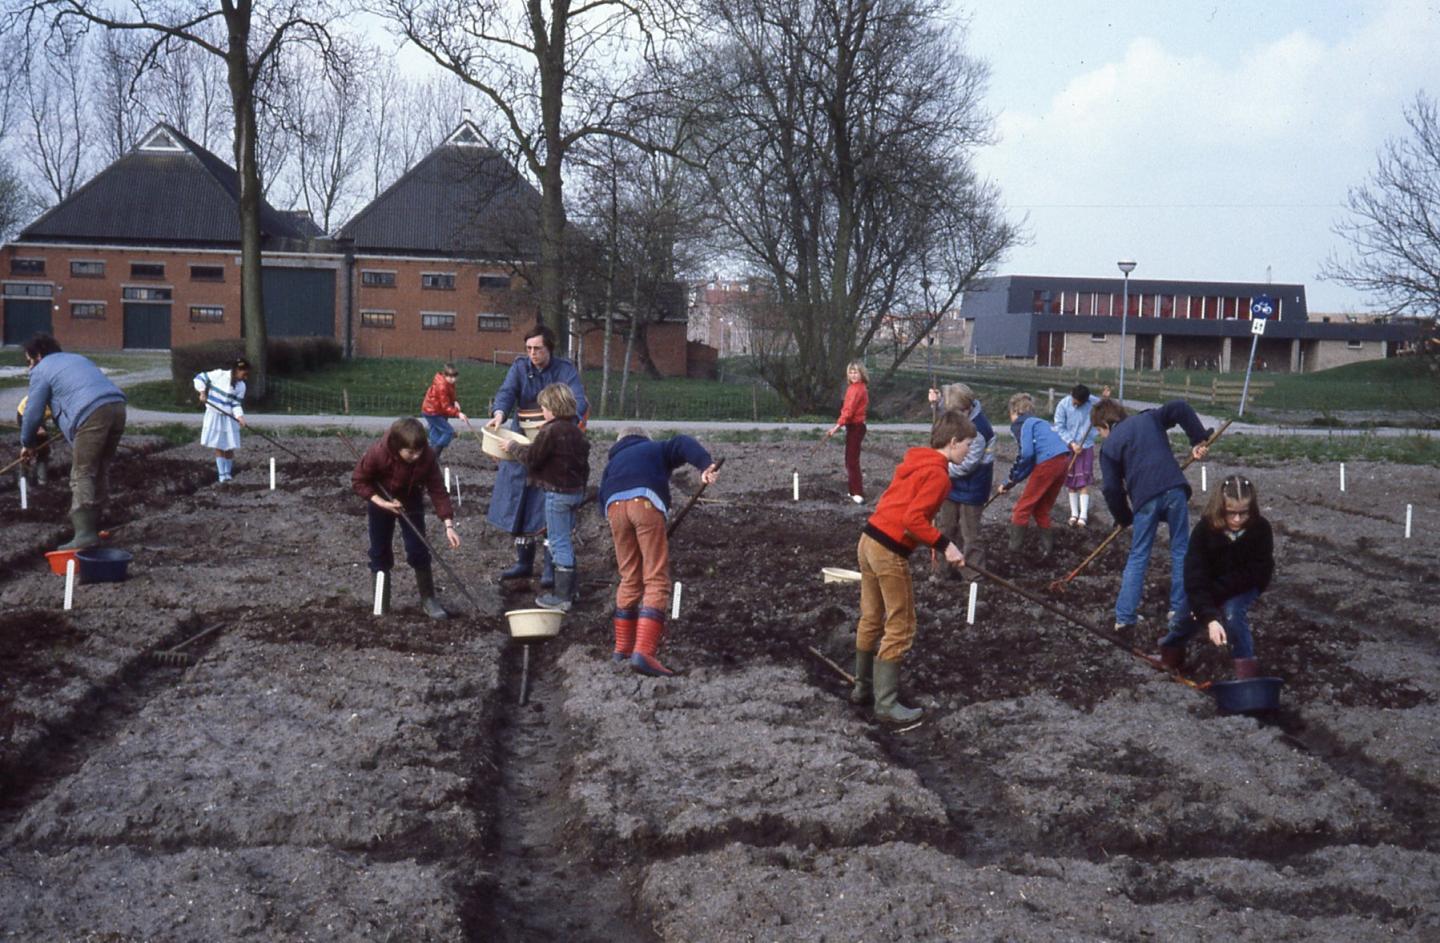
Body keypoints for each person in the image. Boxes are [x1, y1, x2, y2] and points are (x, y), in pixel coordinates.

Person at [851, 410, 974, 724]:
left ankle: (862, 689)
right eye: (967, 445)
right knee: (901, 624)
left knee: (871, 617)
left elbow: (904, 511)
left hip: (868, 539)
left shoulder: (916, 461)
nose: (970, 451)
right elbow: (912, 521)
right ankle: (886, 703)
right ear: (953, 441)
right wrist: (946, 545)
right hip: (888, 549)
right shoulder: (938, 475)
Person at [598, 428, 720, 677]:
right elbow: (682, 442)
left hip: (614, 509)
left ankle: (622, 649)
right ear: (644, 438)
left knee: (630, 577)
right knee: (655, 578)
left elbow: (602, 496)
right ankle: (643, 653)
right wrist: (706, 465)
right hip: (644, 502)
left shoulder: (614, 462)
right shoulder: (654, 448)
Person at [1092, 398, 1211, 637]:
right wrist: (1198, 438)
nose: (1101, 436)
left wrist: (1123, 517)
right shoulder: (1149, 418)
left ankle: (1125, 618)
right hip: (1175, 489)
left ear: (1105, 424)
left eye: (1099, 431)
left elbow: (1112, 490)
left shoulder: (1109, 447)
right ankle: (1179, 610)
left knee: (1139, 554)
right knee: (1180, 549)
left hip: (1145, 499)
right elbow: (1179, 406)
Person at [485, 325, 588, 585]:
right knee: (519, 500)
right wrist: (499, 413)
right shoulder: (520, 368)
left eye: (538, 349)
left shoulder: (565, 370)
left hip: (553, 438)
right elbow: (507, 392)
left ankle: (551, 567)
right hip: (521, 435)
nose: (532, 353)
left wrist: (564, 424)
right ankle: (523, 561)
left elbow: (579, 401)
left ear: (549, 348)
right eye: (529, 348)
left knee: (546, 504)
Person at [18, 333, 127, 550]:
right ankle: (100, 522)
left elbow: (33, 412)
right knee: (100, 467)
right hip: (117, 407)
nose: (30, 367)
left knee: (82, 472)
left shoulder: (42, 369)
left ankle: (85, 534)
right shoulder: (76, 359)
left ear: (38, 355)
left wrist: (27, 443)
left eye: (29, 361)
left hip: (91, 412)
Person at [1165, 475, 1275, 676]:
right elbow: (1195, 576)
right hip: (1209, 585)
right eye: (1231, 513)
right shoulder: (1203, 531)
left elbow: (1256, 573)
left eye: (1243, 513)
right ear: (1220, 508)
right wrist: (1209, 617)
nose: (1237, 519)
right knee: (1183, 617)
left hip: (1245, 585)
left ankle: (1245, 670)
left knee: (1232, 613)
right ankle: (1170, 657)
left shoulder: (1261, 530)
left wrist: (1212, 601)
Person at [351, 417, 460, 619]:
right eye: (411, 452)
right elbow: (358, 481)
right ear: (397, 446)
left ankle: (429, 599)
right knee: (379, 551)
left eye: (419, 451)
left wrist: (448, 524)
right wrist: (382, 502)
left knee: (418, 547)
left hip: (411, 500)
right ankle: (381, 604)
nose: (416, 456)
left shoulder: (426, 457)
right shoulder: (378, 453)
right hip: (381, 501)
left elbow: (437, 489)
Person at [500, 383, 591, 612]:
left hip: (556, 494)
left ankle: (561, 598)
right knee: (565, 540)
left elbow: (533, 458)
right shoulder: (576, 431)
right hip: (575, 493)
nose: (542, 411)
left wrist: (512, 446)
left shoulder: (550, 431)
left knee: (558, 542)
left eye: (544, 407)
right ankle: (572, 590)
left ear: (552, 407)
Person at [927, 382, 995, 579]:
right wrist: (935, 405)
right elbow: (945, 417)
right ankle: (942, 571)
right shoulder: (959, 416)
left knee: (970, 533)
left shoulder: (979, 431)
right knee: (946, 527)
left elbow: (966, 466)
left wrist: (938, 467)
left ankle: (973, 576)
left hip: (973, 488)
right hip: (951, 485)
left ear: (966, 409)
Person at [996, 392, 1070, 558]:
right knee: (1041, 508)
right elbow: (1032, 459)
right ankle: (1047, 550)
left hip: (1048, 463)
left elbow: (1027, 454)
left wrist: (1010, 480)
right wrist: (1012, 482)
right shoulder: (1042, 422)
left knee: (1021, 509)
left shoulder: (1021, 424)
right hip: (1063, 461)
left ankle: (1013, 552)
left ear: (1014, 411)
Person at [1053, 383, 1110, 528]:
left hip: (1086, 446)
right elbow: (1059, 426)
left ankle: (1083, 516)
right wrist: (1072, 443)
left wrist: (1105, 399)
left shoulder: (1092, 402)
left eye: (1078, 403)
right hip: (1069, 445)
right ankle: (1074, 513)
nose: (1074, 404)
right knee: (1071, 481)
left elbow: (1104, 408)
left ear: (1085, 401)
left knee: (1083, 480)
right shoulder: (1063, 405)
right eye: (1074, 401)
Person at [193, 358, 250, 484]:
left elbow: (236, 403)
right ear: (237, 370)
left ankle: (228, 474)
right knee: (219, 444)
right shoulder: (219, 374)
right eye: (244, 374)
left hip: (229, 417)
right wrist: (202, 392)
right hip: (215, 414)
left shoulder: (241, 386)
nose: (245, 377)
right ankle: (221, 474)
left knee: (229, 445)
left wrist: (240, 417)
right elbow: (199, 378)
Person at [826, 361, 869, 503]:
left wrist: (836, 427)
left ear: (861, 373)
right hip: (851, 426)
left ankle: (858, 493)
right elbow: (846, 409)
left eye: (856, 372)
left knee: (852, 461)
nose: (853, 375)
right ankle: (852, 491)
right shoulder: (852, 388)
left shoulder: (859, 389)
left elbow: (849, 411)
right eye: (851, 372)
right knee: (849, 459)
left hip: (856, 426)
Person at [420, 362, 466, 458]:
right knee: (448, 431)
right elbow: (445, 406)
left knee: (435, 434)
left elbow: (451, 394)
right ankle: (434, 455)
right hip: (432, 411)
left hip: (434, 409)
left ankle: (431, 457)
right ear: (445, 375)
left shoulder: (448, 383)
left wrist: (455, 401)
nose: (453, 379)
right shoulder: (442, 386)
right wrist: (458, 414)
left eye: (455, 377)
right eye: (450, 377)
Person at [14, 395, 53, 487]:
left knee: (44, 449)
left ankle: (42, 479)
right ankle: (23, 480)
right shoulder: (39, 400)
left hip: (40, 416)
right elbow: (30, 419)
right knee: (27, 451)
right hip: (25, 415)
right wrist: (37, 431)